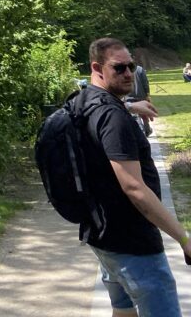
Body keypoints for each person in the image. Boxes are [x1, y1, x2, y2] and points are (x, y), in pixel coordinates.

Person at [77, 36, 189, 317]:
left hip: (103, 236)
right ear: (97, 67)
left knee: (124, 310)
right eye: (119, 68)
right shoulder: (114, 119)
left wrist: (130, 106)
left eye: (131, 66)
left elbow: (98, 112)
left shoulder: (84, 101)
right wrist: (183, 238)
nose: (129, 73)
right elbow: (135, 189)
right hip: (133, 243)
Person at [126, 62, 153, 137]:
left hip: (129, 95)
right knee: (143, 114)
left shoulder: (125, 70)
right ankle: (146, 130)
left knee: (135, 114)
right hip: (141, 95)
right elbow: (145, 83)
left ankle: (142, 130)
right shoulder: (140, 69)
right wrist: (147, 94)